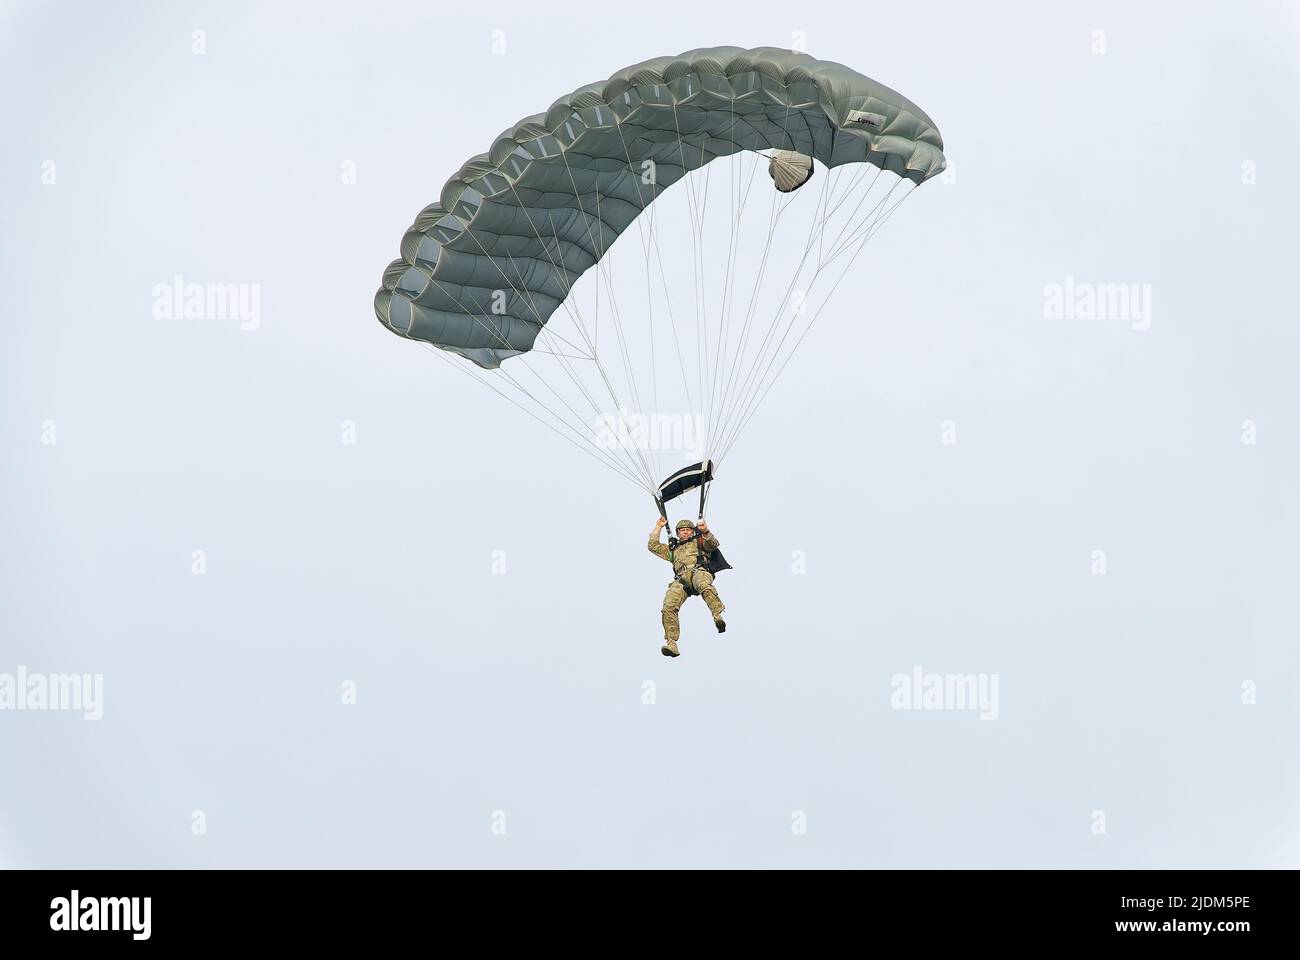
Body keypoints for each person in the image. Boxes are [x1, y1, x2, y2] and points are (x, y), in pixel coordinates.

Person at [648, 517, 726, 657]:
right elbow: (652, 546)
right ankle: (672, 643)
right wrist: (658, 526)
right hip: (681, 579)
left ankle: (717, 615)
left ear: (692, 531)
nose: (685, 533)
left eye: (688, 530)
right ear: (678, 533)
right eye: (682, 531)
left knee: (703, 585)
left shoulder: (700, 541)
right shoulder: (673, 549)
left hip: (699, 571)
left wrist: (705, 531)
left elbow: (713, 545)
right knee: (668, 606)